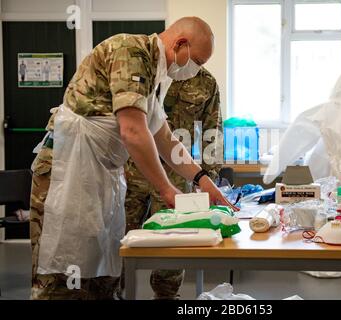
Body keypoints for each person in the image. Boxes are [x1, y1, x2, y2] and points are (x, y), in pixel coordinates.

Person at [30, 16, 237, 300]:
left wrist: (202, 179)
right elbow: (133, 131)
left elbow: (165, 138)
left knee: (100, 270)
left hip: (100, 172)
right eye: (197, 61)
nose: (195, 70)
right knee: (62, 274)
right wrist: (167, 188)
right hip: (70, 170)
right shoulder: (131, 53)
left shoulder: (154, 74)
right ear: (180, 44)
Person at [124, 66, 223, 299]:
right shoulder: (150, 70)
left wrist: (208, 176)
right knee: (121, 232)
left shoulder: (206, 81)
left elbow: (213, 130)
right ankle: (115, 289)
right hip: (134, 166)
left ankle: (166, 295)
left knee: (175, 235)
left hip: (178, 171)